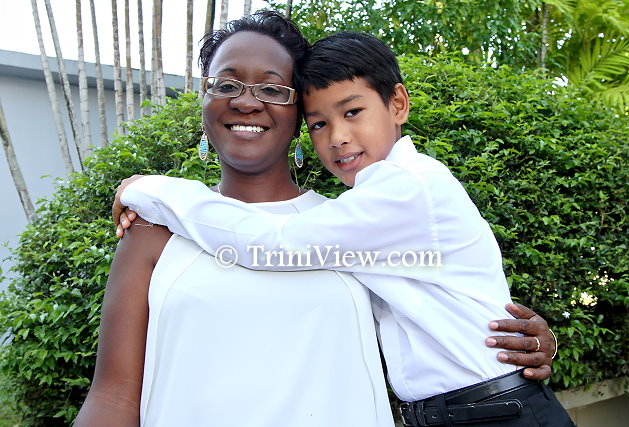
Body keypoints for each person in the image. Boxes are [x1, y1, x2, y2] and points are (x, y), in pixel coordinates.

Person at [113, 30, 572, 427]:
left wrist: (152, 188)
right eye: (319, 123)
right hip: (461, 411)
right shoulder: (357, 215)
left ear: (398, 103)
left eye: (352, 113)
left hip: (494, 411)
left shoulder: (405, 188)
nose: (337, 137)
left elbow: (274, 242)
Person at [77, 14, 396, 426]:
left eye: (271, 88)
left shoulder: (356, 225)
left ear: (300, 114)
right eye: (226, 85)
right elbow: (114, 397)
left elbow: (441, 327)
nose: (246, 102)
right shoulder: (152, 229)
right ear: (204, 103)